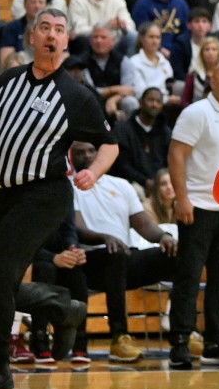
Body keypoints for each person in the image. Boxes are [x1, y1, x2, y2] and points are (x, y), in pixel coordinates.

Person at [0, 9, 117, 389]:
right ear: (32, 36)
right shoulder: (7, 80)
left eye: (59, 30)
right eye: (45, 27)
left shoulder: (77, 95)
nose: (51, 34)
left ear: (66, 42)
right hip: (7, 193)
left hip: (44, 194)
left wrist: (93, 171)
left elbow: (109, 145)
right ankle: (63, 308)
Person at [165, 61, 219, 370]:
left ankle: (216, 342)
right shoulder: (196, 113)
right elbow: (176, 155)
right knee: (188, 276)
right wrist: (182, 198)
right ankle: (179, 341)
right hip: (197, 207)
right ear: (212, 80)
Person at [66, 141, 177, 363]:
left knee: (177, 255)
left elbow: (143, 224)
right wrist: (105, 237)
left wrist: (163, 237)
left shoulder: (121, 185)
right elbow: (75, 227)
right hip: (88, 261)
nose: (87, 156)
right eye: (81, 152)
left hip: (124, 258)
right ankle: (119, 337)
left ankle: (183, 333)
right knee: (115, 254)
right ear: (71, 156)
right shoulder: (67, 186)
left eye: (92, 151)